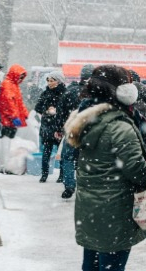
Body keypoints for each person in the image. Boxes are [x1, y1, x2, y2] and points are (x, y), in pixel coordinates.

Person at [64, 65, 146, 271]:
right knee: (111, 266)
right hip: (115, 213)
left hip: (91, 210)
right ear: (124, 92)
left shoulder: (88, 120)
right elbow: (139, 171)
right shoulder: (120, 126)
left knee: (91, 265)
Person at [59, 64, 93, 197]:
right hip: (89, 131)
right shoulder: (95, 94)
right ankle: (84, 185)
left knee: (67, 157)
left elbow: (61, 112)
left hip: (72, 129)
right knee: (84, 158)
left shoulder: (70, 91)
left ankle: (69, 184)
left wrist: (59, 128)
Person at [34, 70, 67, 182]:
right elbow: (37, 107)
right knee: (46, 151)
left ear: (58, 81)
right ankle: (44, 174)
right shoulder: (45, 93)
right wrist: (47, 111)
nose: (49, 83)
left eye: (52, 81)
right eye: (48, 80)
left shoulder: (65, 94)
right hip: (47, 126)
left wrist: (57, 111)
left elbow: (67, 109)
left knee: (61, 152)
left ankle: (62, 175)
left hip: (60, 126)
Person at [0, 64, 29, 138]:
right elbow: (8, 102)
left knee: (10, 142)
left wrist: (25, 114)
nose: (21, 80)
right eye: (20, 77)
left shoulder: (15, 85)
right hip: (7, 120)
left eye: (22, 78)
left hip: (11, 120)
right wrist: (14, 116)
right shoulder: (7, 85)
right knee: (7, 141)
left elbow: (19, 103)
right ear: (15, 75)